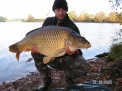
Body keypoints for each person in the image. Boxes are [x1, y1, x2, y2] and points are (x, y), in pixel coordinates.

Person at [32, 0, 90, 91]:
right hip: (49, 55)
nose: (61, 12)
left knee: (84, 66)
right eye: (58, 9)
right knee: (34, 53)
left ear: (66, 10)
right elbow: (39, 36)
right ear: (54, 10)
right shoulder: (48, 21)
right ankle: (46, 80)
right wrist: (36, 47)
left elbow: (79, 52)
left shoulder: (72, 27)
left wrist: (73, 53)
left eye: (63, 9)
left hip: (64, 60)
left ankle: (69, 79)